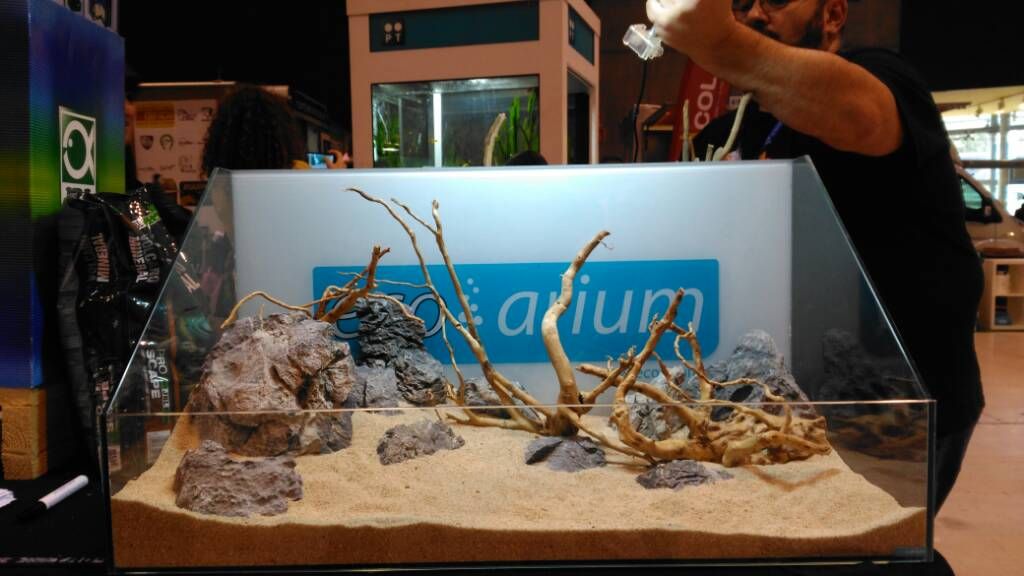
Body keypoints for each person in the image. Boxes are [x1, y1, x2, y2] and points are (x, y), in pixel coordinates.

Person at [647, 0, 983, 512]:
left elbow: (861, 114)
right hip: (792, 402)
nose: (754, 15)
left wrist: (721, 43)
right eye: (741, 5)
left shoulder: (884, 78)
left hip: (901, 407)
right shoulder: (743, 126)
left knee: (873, 541)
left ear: (833, 15)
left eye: (775, 0)